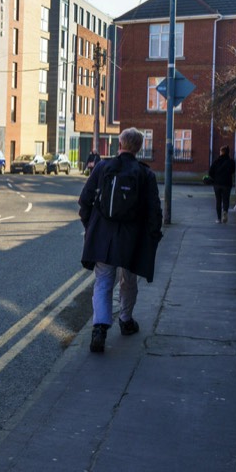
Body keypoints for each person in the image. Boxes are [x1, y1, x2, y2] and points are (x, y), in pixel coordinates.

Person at [77, 127, 163, 354]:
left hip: (103, 237)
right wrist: (153, 236)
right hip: (131, 239)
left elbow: (85, 200)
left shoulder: (103, 167)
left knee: (103, 281)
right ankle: (126, 320)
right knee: (128, 279)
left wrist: (91, 226)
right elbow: (154, 211)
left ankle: (99, 329)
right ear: (139, 148)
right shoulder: (145, 174)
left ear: (120, 144)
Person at [208, 145, 236, 224]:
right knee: (226, 199)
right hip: (227, 184)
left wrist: (215, 177)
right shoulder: (231, 162)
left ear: (221, 152)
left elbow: (210, 172)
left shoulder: (216, 161)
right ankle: (225, 211)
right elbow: (232, 172)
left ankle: (218, 219)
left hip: (217, 184)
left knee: (218, 200)